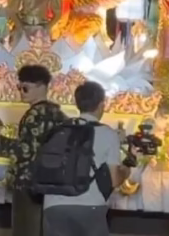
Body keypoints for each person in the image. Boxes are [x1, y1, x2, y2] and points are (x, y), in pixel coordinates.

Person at [0, 65, 68, 236]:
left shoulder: (34, 114)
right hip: (52, 181)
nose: (21, 92)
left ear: (41, 86)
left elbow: (25, 152)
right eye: (19, 87)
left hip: (29, 182)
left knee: (26, 228)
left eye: (25, 88)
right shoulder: (58, 113)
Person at [42, 81, 126, 236]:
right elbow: (114, 180)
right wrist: (126, 171)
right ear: (102, 105)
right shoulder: (108, 134)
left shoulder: (57, 130)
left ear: (77, 103)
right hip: (90, 206)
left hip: (53, 205)